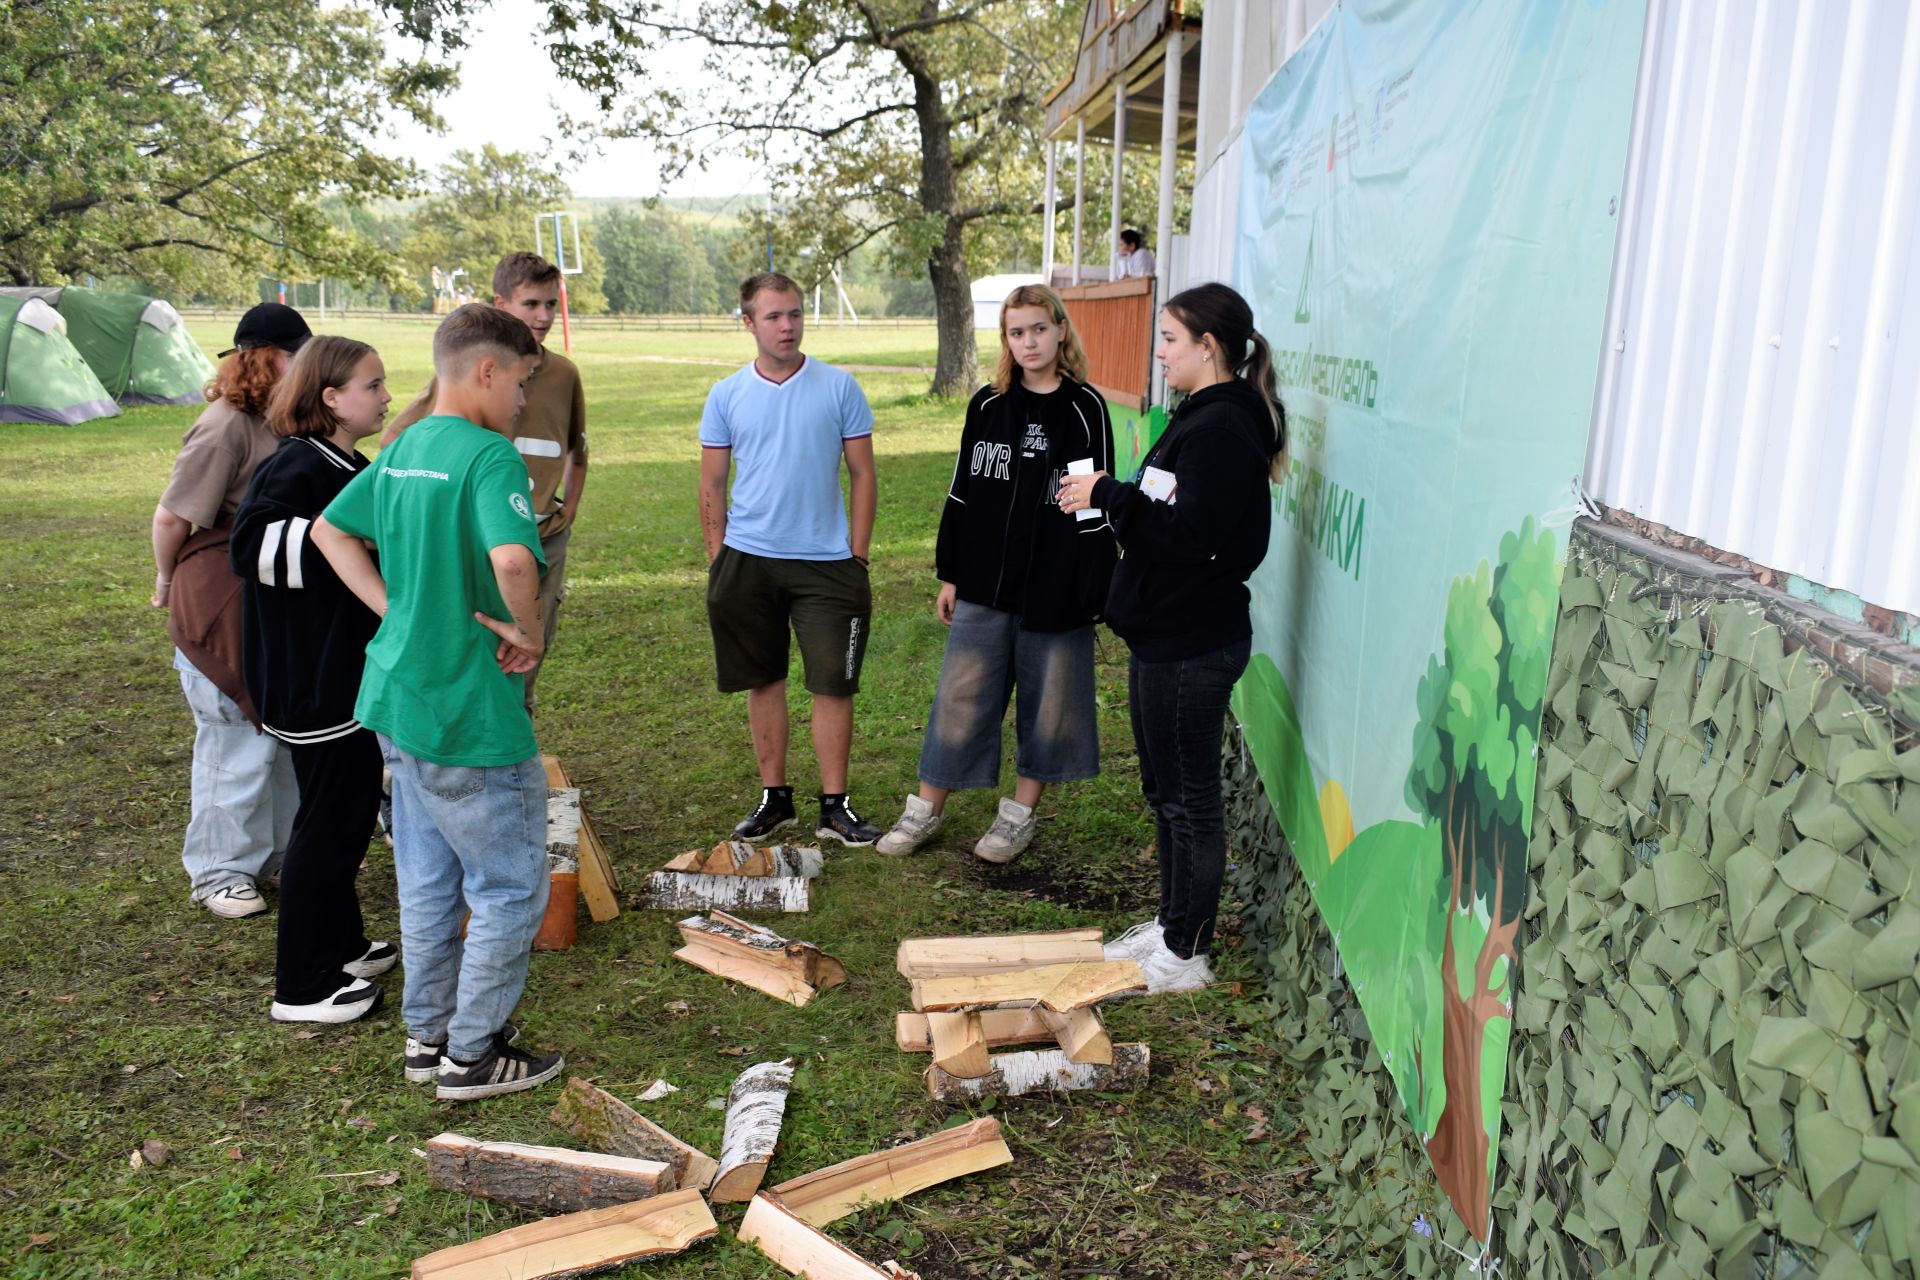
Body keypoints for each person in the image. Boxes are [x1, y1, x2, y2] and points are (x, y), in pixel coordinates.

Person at [313, 303, 565, 1100]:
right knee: (509, 885)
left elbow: (330, 530)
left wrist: (396, 608)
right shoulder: (490, 458)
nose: (524, 401)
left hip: (398, 696)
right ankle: (473, 1054)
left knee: (426, 879)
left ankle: (427, 1039)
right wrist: (527, 631)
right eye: (521, 383)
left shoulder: (406, 442)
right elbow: (514, 561)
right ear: (486, 371)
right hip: (466, 708)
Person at [1057, 282, 1284, 994]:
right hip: (1164, 637)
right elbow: (1171, 514)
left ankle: (1187, 953)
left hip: (1193, 642)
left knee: (1190, 799)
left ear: (1207, 347)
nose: (1158, 353)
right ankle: (1171, 924)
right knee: (1166, 793)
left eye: (1169, 340)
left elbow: (1191, 539)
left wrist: (1108, 495)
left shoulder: (1221, 429)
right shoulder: (1201, 416)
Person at [876, 285, 1115, 864]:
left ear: (1060, 330)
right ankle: (927, 808)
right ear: (1005, 339)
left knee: (1048, 700)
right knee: (961, 695)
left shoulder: (1086, 409)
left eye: (1038, 328)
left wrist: (1094, 586)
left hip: (1055, 585)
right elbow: (963, 493)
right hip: (985, 581)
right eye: (1016, 332)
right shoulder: (987, 403)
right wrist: (952, 573)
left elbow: (1094, 506)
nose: (1028, 341)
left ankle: (1018, 816)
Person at [228, 336, 396, 1023]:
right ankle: (301, 984)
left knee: (346, 812)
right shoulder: (294, 466)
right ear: (330, 398)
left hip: (340, 675)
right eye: (373, 385)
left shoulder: (342, 459)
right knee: (329, 822)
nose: (384, 396)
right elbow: (251, 546)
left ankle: (342, 944)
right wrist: (341, 542)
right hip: (309, 682)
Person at [698, 271, 882, 847]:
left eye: (795, 314)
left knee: (833, 685)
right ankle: (775, 800)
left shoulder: (839, 387)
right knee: (764, 679)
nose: (787, 326)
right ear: (748, 322)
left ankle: (835, 805)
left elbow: (862, 474)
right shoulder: (727, 394)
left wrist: (856, 553)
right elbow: (712, 484)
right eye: (773, 316)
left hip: (829, 563)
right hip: (748, 560)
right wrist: (718, 557)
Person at [150, 303, 311, 919]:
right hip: (221, 596)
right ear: (268, 356)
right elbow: (173, 516)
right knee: (233, 736)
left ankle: (271, 856)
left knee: (280, 735)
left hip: (272, 596)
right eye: (298, 353)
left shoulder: (287, 417)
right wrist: (166, 579)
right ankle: (219, 871)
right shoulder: (224, 426)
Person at [383, 251, 588, 716]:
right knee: (478, 640)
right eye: (531, 303)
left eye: (550, 305)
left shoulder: (564, 374)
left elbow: (578, 449)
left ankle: (518, 731)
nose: (543, 316)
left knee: (530, 645)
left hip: (541, 537)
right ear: (500, 302)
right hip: (482, 541)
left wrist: (567, 510)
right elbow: (397, 438)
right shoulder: (466, 371)